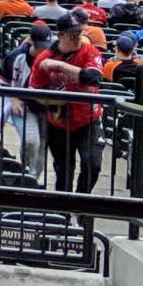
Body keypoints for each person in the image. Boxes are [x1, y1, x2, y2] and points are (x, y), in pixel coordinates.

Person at [27, 17, 105, 193]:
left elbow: (93, 78)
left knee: (93, 165)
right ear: (61, 35)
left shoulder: (89, 51)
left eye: (80, 33)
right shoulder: (44, 58)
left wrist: (61, 66)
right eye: (73, 35)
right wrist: (62, 99)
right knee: (63, 171)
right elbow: (34, 92)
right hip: (59, 122)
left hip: (89, 120)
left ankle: (81, 204)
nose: (79, 38)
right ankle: (64, 214)